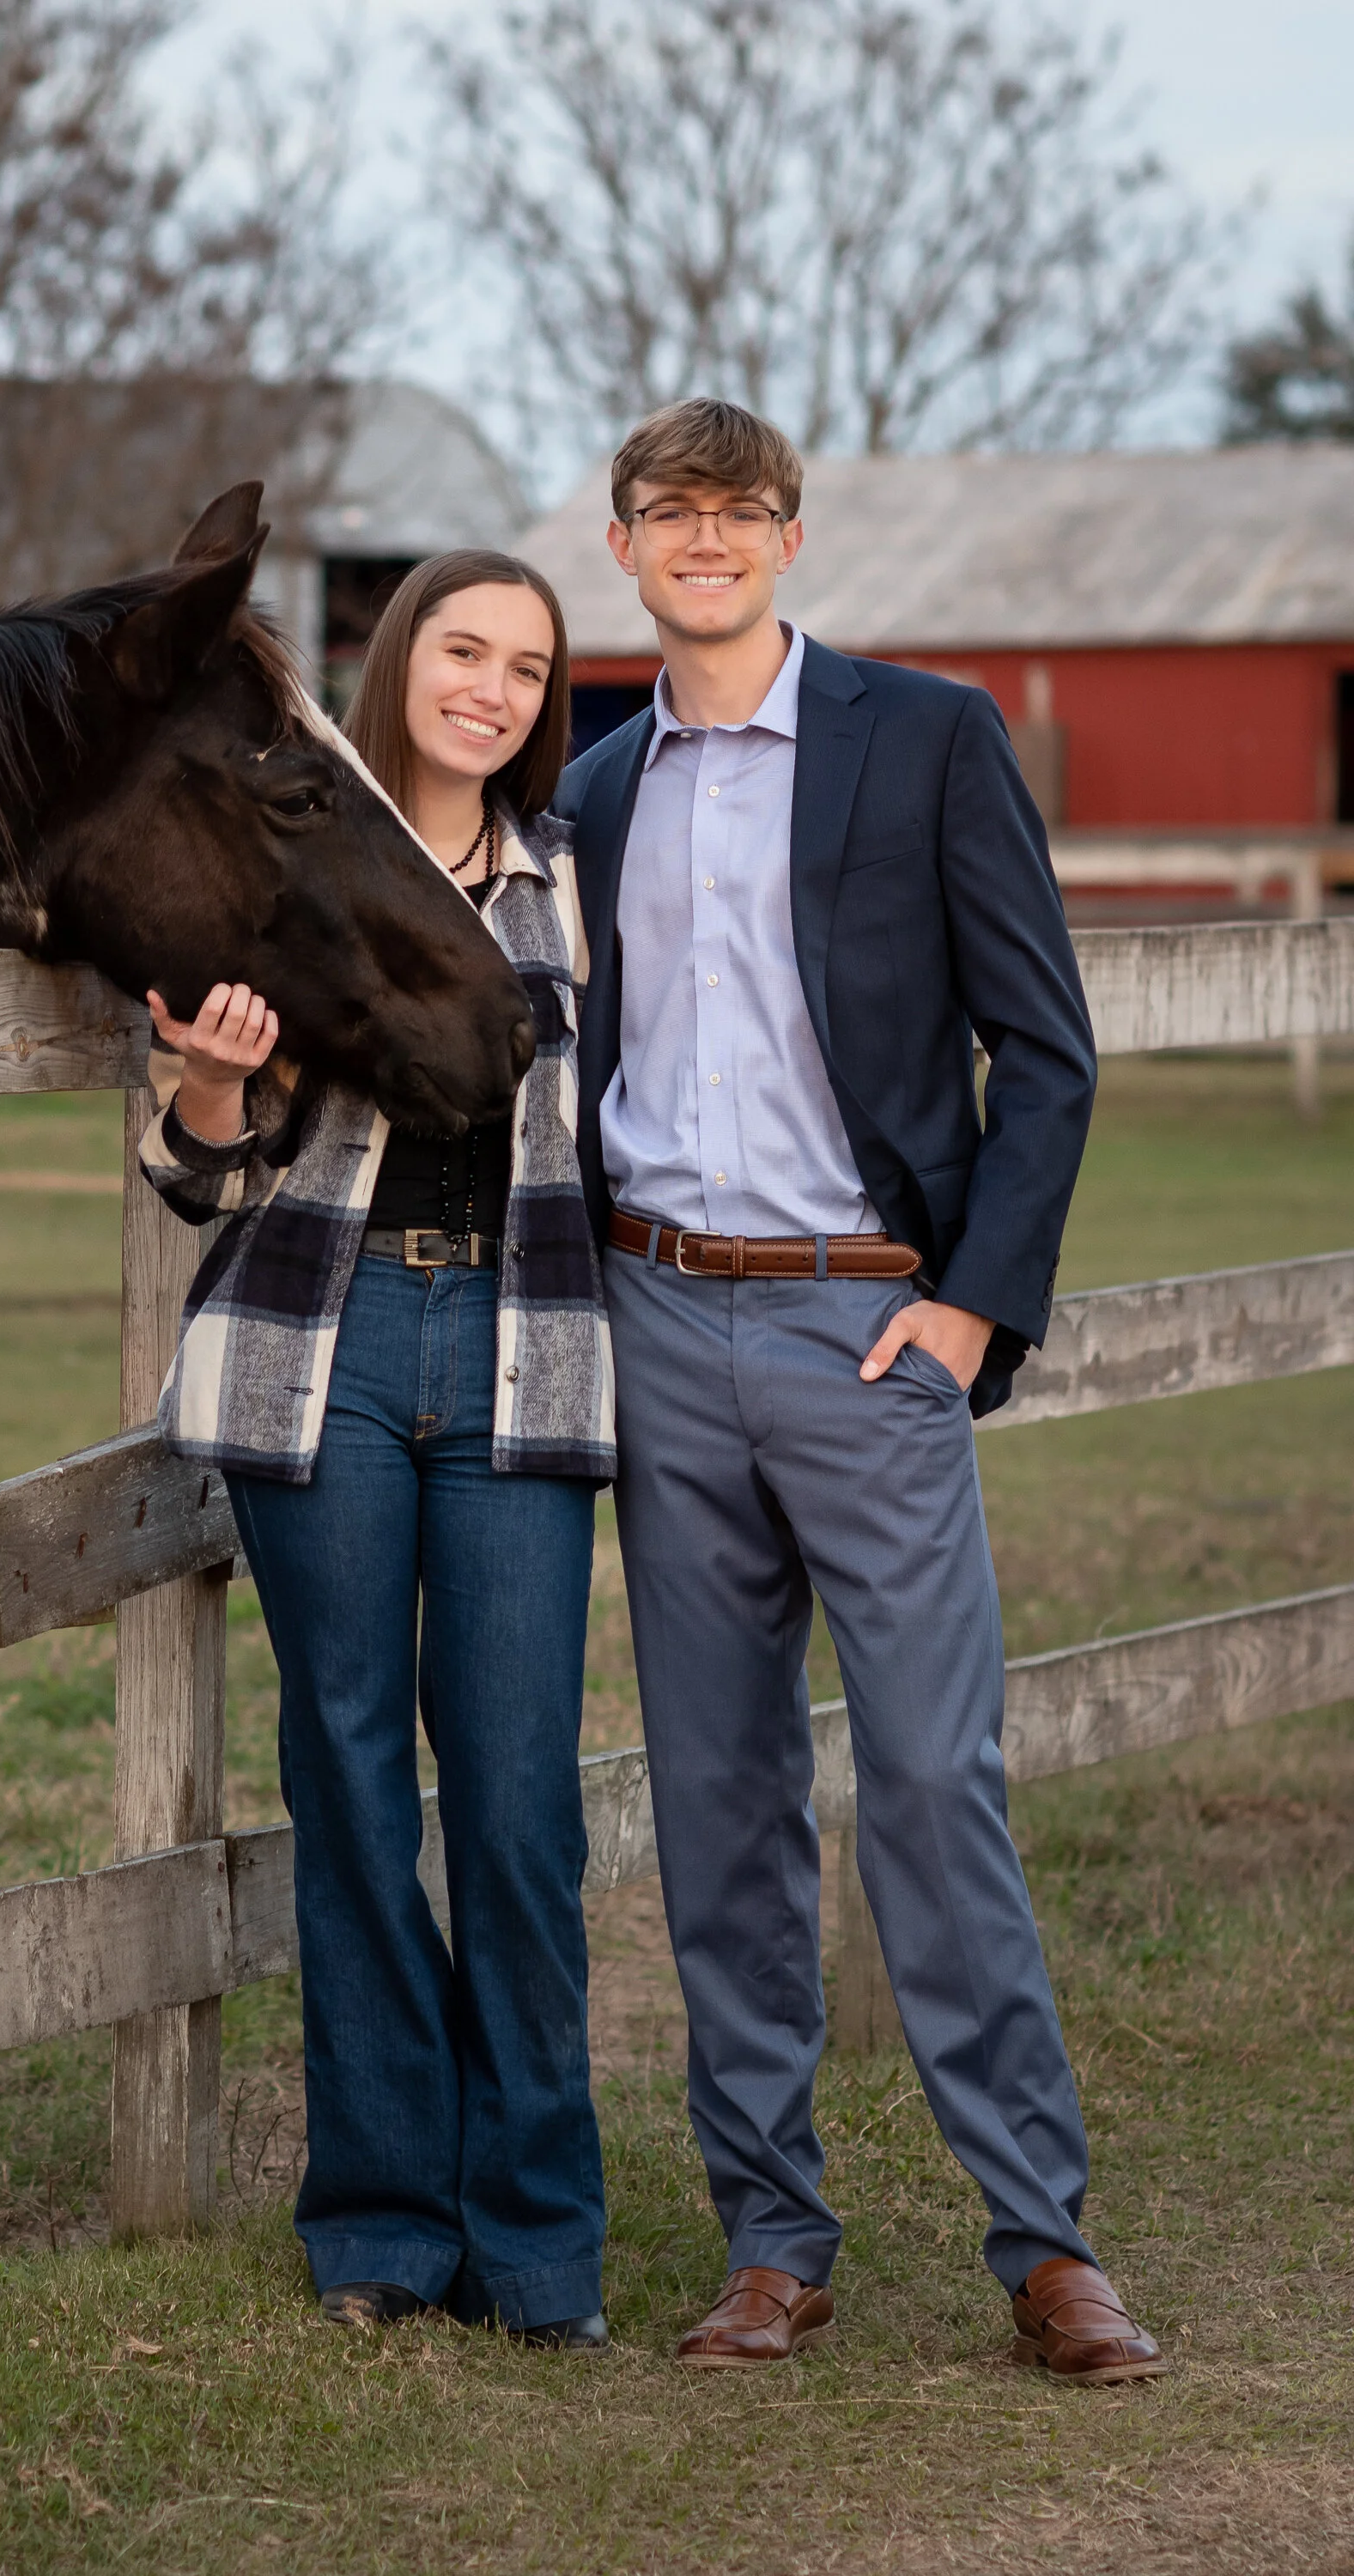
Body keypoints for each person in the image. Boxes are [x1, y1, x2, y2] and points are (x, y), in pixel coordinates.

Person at [556, 397, 1168, 2384]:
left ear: (791, 541)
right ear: (626, 545)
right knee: (720, 1803)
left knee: (928, 1778)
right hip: (662, 1325)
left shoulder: (925, 738)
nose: (707, 540)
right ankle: (772, 2240)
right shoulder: (597, 790)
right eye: (672, 513)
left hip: (866, 1325)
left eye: (741, 512)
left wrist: (977, 1310)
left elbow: (1044, 1050)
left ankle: (1044, 2241)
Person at [137, 551, 616, 2348]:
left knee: (514, 1806)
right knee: (345, 1787)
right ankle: (380, 2234)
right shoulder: (282, 852)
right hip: (317, 1352)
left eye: (528, 667)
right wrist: (206, 1083)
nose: (488, 688)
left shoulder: (579, 880)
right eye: (464, 649)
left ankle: (541, 2247)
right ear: (403, 654)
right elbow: (198, 1171)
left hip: (523, 1348)